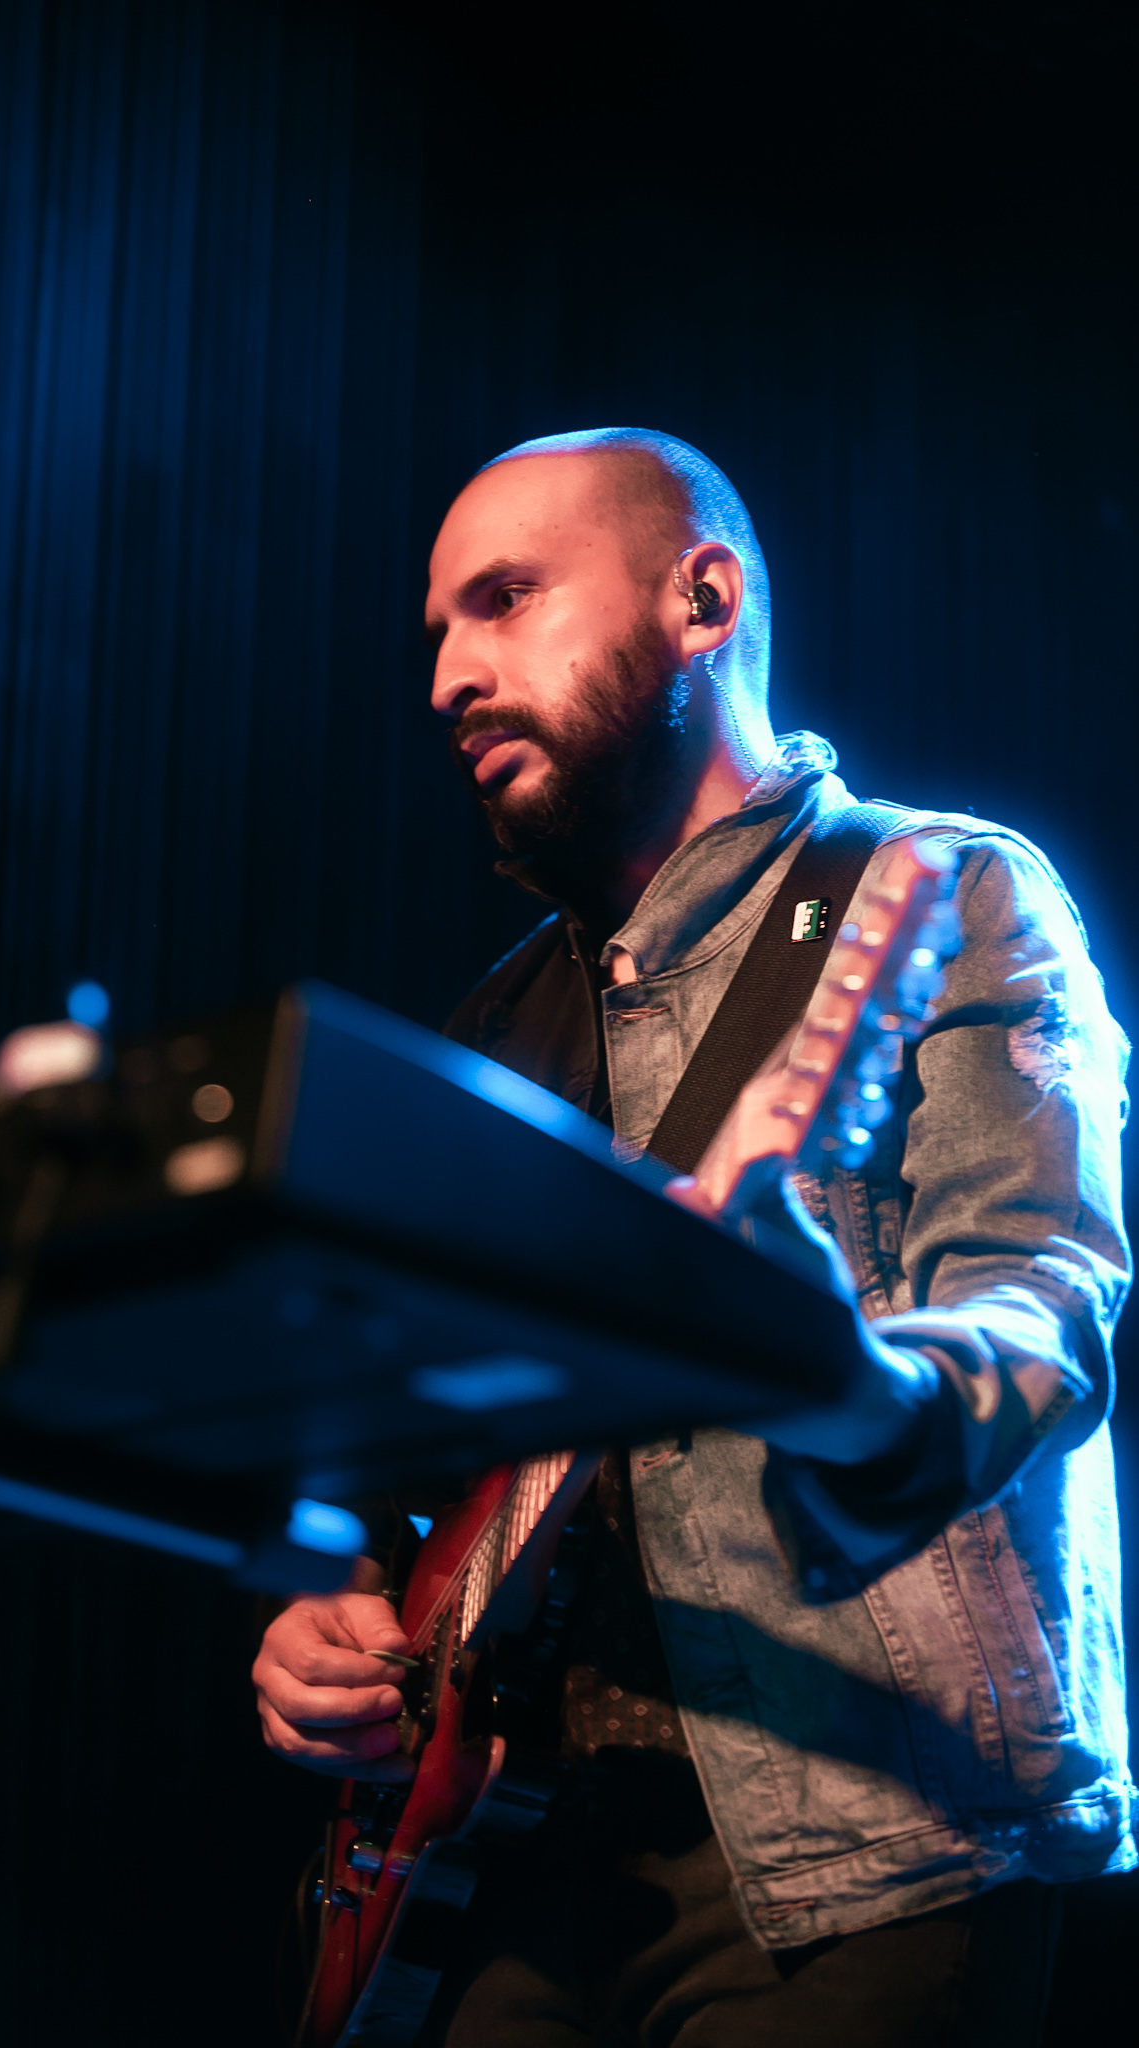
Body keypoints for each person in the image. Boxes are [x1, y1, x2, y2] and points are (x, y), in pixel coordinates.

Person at [253, 429, 1133, 2044]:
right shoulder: (497, 1026)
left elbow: (1043, 1304)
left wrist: (849, 1386)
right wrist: (339, 1605)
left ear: (701, 601)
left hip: (866, 1839)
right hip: (513, 1861)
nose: (448, 678)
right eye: (437, 633)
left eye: (506, 600)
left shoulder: (939, 890)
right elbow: (403, 1442)